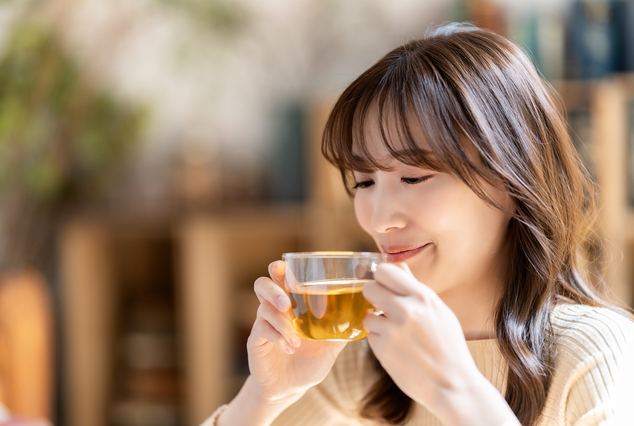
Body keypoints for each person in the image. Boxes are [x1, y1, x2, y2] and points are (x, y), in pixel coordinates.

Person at [202, 23, 634, 426]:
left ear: (511, 180)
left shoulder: (596, 353)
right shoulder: (359, 358)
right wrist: (263, 397)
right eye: (365, 181)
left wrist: (459, 391)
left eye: (414, 177)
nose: (380, 218)